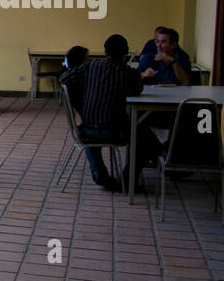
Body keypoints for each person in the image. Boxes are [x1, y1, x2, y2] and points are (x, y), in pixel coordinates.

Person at [60, 33, 160, 191]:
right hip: (114, 131)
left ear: (105, 51)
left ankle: (99, 173)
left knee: (92, 131)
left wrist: (81, 101)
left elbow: (65, 78)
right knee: (142, 133)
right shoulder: (129, 73)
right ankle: (129, 179)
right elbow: (136, 90)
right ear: (125, 54)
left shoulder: (90, 66)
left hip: (86, 128)